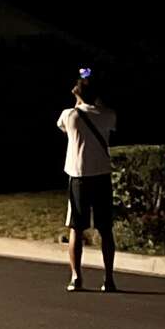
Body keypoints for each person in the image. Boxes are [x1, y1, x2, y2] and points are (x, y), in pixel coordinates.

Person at [56, 67, 117, 292]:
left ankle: (76, 277)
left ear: (77, 93)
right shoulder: (108, 115)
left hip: (78, 177)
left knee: (76, 228)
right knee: (106, 229)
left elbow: (64, 128)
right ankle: (108, 278)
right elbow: (107, 120)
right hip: (102, 174)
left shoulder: (69, 115)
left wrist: (78, 103)